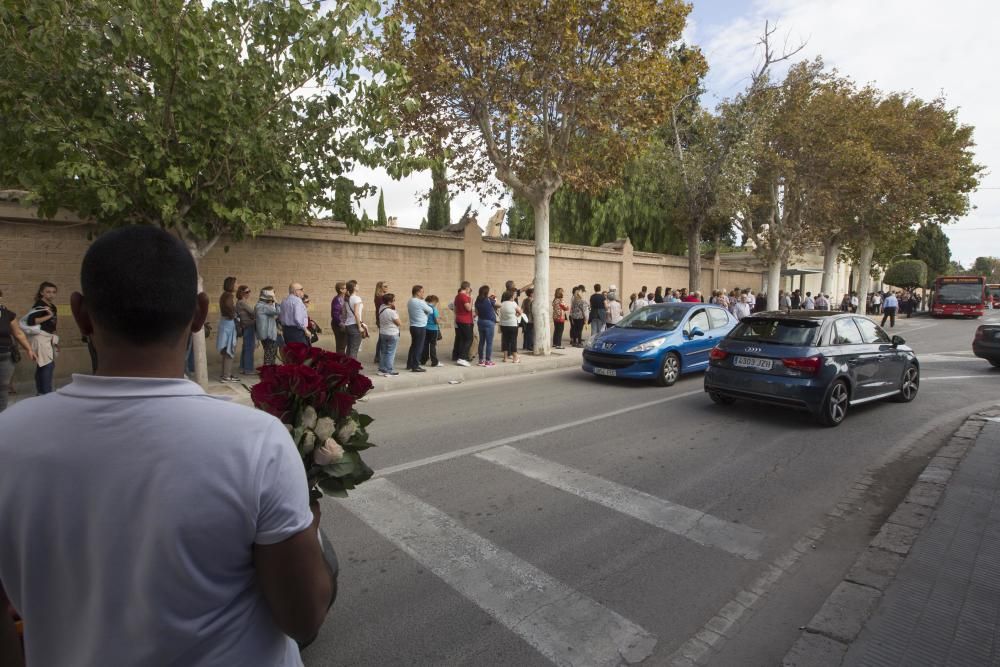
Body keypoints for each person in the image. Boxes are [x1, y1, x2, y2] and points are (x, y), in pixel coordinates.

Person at [0, 225, 335, 666]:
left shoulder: (10, 437)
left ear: (81, 314)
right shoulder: (255, 442)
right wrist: (308, 522)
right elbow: (303, 617)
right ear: (199, 314)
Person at [0, 289, 36, 414]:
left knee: (2, 388)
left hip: (5, 357)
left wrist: (29, 349)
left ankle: (2, 416)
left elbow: (19, 334)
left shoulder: (7, 314)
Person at [24, 281, 58, 394]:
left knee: (43, 365)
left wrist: (56, 341)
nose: (51, 294)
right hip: (40, 337)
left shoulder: (52, 306)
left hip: (49, 338)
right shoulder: (39, 305)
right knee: (47, 365)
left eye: (53, 292)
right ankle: (46, 393)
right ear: (42, 292)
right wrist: (49, 316)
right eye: (48, 292)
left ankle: (41, 392)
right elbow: (31, 321)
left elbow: (53, 324)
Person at [406, 285, 433, 373]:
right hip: (420, 327)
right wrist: (426, 307)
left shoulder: (410, 301)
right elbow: (431, 310)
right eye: (422, 292)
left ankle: (409, 364)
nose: (423, 294)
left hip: (413, 326)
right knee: (419, 347)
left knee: (413, 346)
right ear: (417, 292)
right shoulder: (420, 302)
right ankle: (416, 366)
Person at [217, 277, 239, 383]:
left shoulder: (224, 295)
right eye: (235, 284)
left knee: (226, 351)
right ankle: (226, 376)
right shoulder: (229, 296)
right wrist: (233, 314)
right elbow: (229, 307)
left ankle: (225, 374)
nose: (236, 286)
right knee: (229, 351)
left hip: (224, 323)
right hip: (228, 324)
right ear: (231, 285)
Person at [376, 293, 401, 376]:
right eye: (394, 300)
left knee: (383, 351)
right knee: (390, 352)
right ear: (390, 302)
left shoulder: (381, 308)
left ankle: (382, 368)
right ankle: (389, 370)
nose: (395, 302)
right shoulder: (391, 312)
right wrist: (395, 311)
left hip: (383, 333)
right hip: (392, 333)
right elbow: (399, 323)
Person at [254, 287, 280, 366]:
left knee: (270, 353)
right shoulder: (264, 306)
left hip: (266, 334)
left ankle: (269, 370)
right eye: (273, 293)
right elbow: (278, 311)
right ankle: (267, 372)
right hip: (268, 334)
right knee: (270, 354)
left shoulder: (260, 305)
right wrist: (275, 300)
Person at [235, 285, 257, 375]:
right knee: (249, 348)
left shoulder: (240, 302)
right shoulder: (242, 302)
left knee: (246, 347)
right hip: (248, 325)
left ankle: (243, 367)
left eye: (249, 291)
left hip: (246, 325)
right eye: (247, 292)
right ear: (242, 293)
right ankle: (248, 369)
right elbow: (253, 312)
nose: (249, 294)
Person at [343, 280, 366, 360]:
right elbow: (356, 314)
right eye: (357, 285)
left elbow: (344, 313)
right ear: (354, 287)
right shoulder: (357, 298)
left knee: (349, 349)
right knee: (354, 350)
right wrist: (359, 327)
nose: (358, 286)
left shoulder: (347, 299)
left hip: (348, 325)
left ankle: (346, 368)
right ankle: (352, 369)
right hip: (354, 325)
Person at [475, 285, 497, 366]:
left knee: (481, 341)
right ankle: (488, 361)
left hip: (480, 321)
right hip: (489, 322)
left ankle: (481, 360)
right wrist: (494, 298)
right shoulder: (488, 300)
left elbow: (477, 312)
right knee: (489, 343)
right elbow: (495, 303)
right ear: (486, 292)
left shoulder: (477, 301)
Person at [454, 281, 474, 366]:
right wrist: (472, 300)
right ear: (467, 288)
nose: (469, 290)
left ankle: (461, 357)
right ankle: (462, 358)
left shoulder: (457, 296)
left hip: (459, 319)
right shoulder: (463, 297)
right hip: (465, 321)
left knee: (463, 339)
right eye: (469, 288)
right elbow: (469, 308)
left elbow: (455, 308)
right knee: (469, 339)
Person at [498, 291, 522, 363]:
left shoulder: (502, 304)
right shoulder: (513, 303)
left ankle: (505, 358)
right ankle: (515, 358)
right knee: (513, 341)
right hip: (512, 324)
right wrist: (516, 316)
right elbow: (520, 312)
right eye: (514, 295)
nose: (515, 296)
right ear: (511, 296)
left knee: (505, 340)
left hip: (503, 325)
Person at [421, 295, 442, 367]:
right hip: (433, 329)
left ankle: (423, 360)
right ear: (434, 301)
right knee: (433, 346)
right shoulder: (434, 309)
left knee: (425, 345)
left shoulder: (424, 308)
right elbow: (436, 321)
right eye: (436, 302)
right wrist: (439, 319)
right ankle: (434, 361)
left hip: (425, 328)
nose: (436, 303)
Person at [372, 281, 388, 365]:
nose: (387, 288)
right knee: (382, 338)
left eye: (387, 286)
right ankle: (378, 357)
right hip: (382, 319)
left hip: (382, 319)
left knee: (381, 338)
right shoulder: (379, 297)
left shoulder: (382, 297)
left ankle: (378, 356)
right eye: (385, 286)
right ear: (380, 287)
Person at [330, 281, 348, 355]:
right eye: (345, 288)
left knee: (343, 344)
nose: (347, 289)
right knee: (341, 345)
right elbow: (335, 314)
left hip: (344, 324)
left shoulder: (345, 298)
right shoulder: (337, 299)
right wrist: (341, 324)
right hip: (338, 325)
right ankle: (339, 362)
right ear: (341, 290)